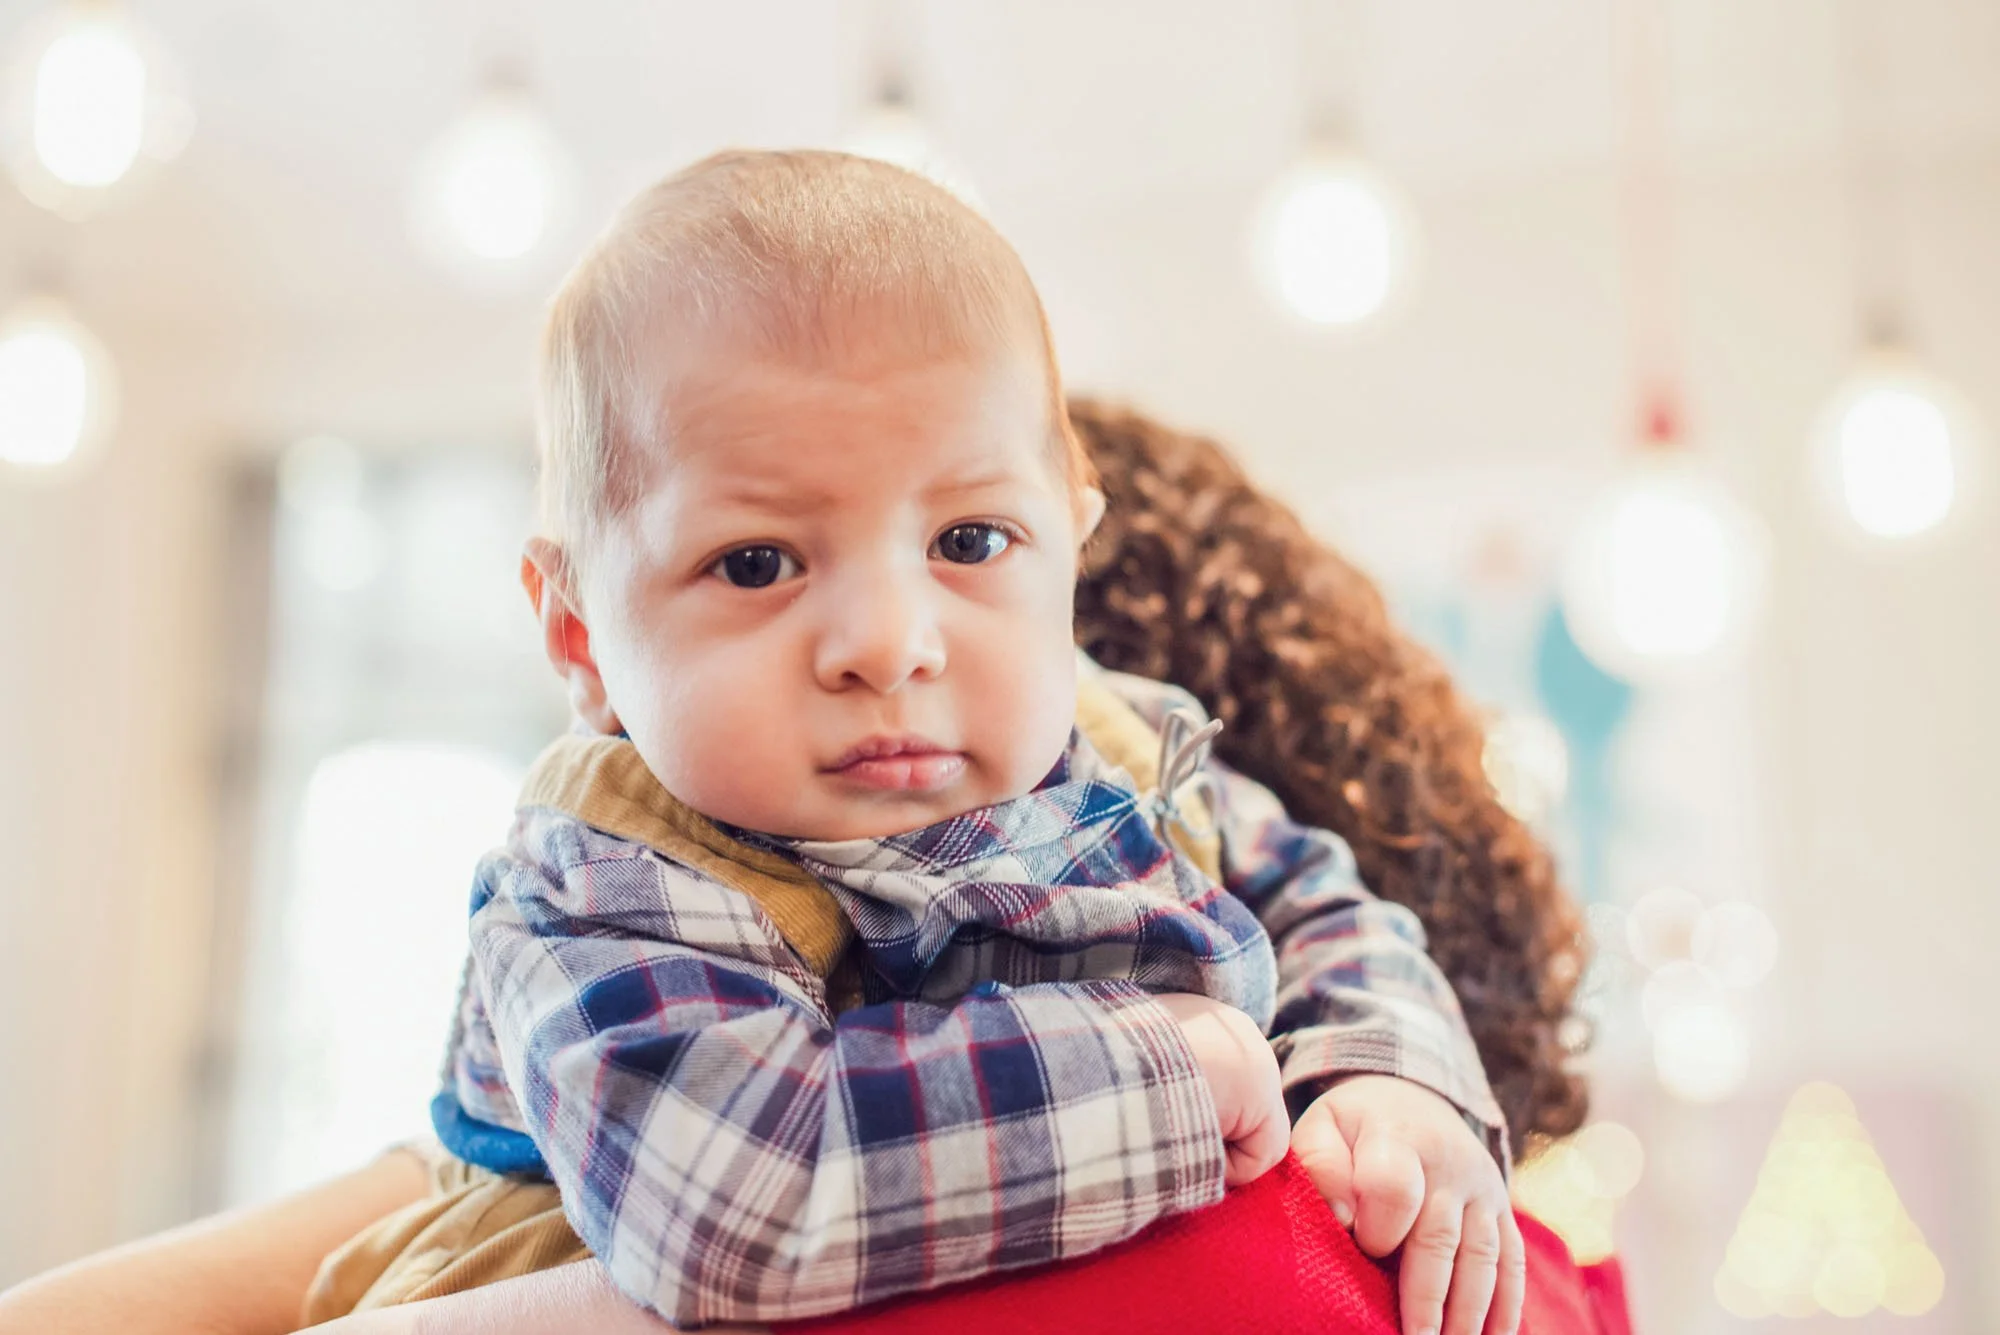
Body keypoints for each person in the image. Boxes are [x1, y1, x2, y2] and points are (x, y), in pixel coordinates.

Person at [0, 394, 1593, 1335]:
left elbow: (1310, 890)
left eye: (977, 546)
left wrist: (1387, 1059)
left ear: (1075, 583)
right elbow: (703, 1188)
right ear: (587, 643)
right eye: (759, 563)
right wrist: (1195, 1066)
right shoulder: (623, 870)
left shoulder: (1129, 765)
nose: (891, 647)